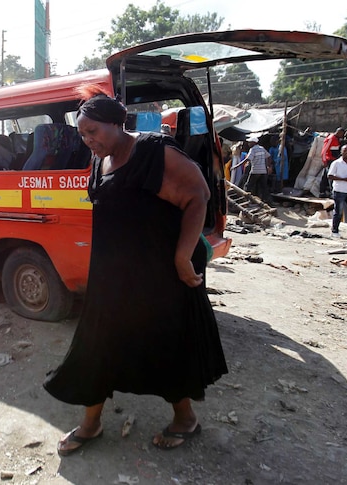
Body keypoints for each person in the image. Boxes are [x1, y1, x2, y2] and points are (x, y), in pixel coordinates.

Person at [43, 84, 227, 456]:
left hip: (159, 276)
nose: (88, 140)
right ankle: (91, 424)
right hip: (114, 278)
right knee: (97, 347)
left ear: (118, 123)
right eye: (82, 134)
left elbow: (198, 196)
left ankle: (185, 419)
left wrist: (181, 255)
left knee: (165, 346)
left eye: (93, 132)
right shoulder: (100, 160)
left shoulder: (152, 151)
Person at [242, 135, 273, 203]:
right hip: (263, 171)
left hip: (255, 171)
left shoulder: (252, 149)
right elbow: (269, 156)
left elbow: (247, 159)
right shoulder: (262, 148)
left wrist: (237, 166)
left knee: (248, 186)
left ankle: (245, 200)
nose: (248, 143)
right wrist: (268, 166)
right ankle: (268, 201)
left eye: (250, 142)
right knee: (264, 187)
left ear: (254, 143)